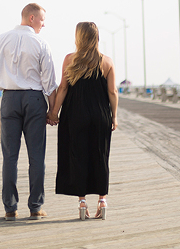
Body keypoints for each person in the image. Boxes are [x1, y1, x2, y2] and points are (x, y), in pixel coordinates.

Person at [0, 3, 58, 221]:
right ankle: (35, 207)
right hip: (34, 100)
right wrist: (53, 111)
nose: (44, 24)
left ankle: (10, 208)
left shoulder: (1, 39)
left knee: (10, 156)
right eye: (42, 19)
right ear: (32, 17)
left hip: (9, 98)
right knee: (37, 156)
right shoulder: (41, 43)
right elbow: (50, 83)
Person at [48, 22, 118, 220]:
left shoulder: (70, 59)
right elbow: (112, 92)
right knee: (100, 156)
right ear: (97, 38)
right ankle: (102, 200)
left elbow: (62, 88)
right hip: (100, 115)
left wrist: (54, 112)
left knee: (78, 156)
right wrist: (114, 116)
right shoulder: (107, 62)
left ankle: (81, 202)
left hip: (75, 115)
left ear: (78, 37)